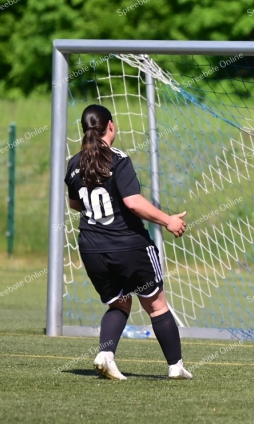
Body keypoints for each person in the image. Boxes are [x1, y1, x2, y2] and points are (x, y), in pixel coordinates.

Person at [64, 104, 192, 380]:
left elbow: (75, 204)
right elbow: (133, 203)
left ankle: (106, 354)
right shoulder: (118, 159)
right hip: (129, 246)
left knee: (119, 303)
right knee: (156, 305)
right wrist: (168, 220)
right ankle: (175, 367)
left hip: (92, 248)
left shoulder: (74, 163)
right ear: (110, 125)